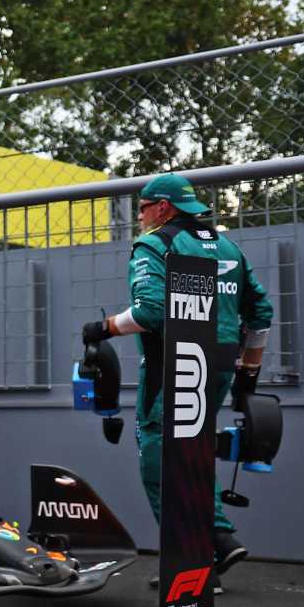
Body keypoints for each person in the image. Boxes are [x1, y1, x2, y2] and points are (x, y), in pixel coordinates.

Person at [82, 174, 272, 580]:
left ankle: (194, 558)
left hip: (174, 364)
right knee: (194, 448)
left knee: (157, 456)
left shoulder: (156, 244)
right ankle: (218, 541)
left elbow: (150, 311)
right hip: (219, 367)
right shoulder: (228, 247)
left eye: (144, 208)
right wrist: (249, 371)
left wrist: (103, 327)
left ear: (163, 207)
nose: (141, 217)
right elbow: (261, 315)